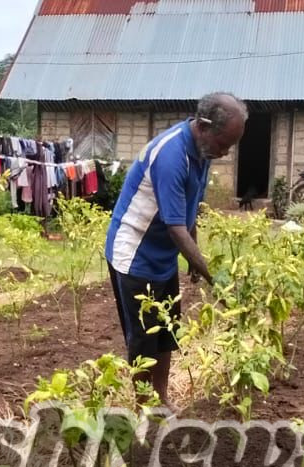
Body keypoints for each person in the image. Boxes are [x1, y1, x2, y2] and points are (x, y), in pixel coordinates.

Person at [104, 92, 248, 406]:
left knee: (167, 331)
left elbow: (189, 211)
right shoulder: (171, 154)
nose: (225, 153)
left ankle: (162, 398)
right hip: (134, 255)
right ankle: (143, 408)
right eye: (224, 144)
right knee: (144, 340)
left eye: (230, 147)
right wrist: (214, 279)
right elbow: (175, 226)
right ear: (204, 125)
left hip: (164, 255)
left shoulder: (203, 153)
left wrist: (194, 260)